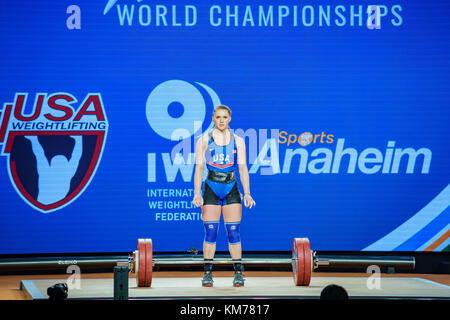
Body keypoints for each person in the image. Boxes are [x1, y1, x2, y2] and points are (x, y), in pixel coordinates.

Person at [192, 105, 255, 287]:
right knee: (211, 232)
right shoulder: (204, 140)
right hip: (211, 188)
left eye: (224, 117)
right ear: (213, 118)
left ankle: (238, 273)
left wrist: (247, 193)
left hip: (231, 188)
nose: (221, 120)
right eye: (218, 117)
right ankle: (207, 273)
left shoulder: (239, 141)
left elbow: (242, 168)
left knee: (233, 232)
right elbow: (199, 168)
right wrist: (197, 193)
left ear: (229, 119)